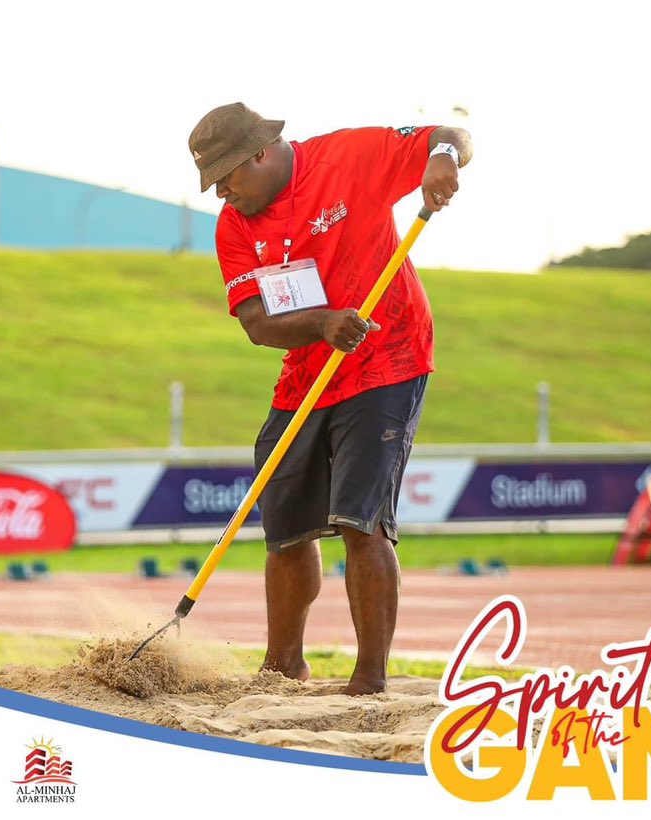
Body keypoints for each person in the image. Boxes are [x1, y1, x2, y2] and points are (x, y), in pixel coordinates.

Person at [188, 102, 472, 695]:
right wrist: (320, 326)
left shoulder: (347, 157)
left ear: (260, 154)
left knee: (360, 521)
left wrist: (443, 161)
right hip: (308, 371)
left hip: (387, 357)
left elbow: (448, 137)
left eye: (227, 178)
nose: (222, 195)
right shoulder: (235, 225)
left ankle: (370, 680)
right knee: (284, 524)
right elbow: (258, 324)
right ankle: (282, 665)